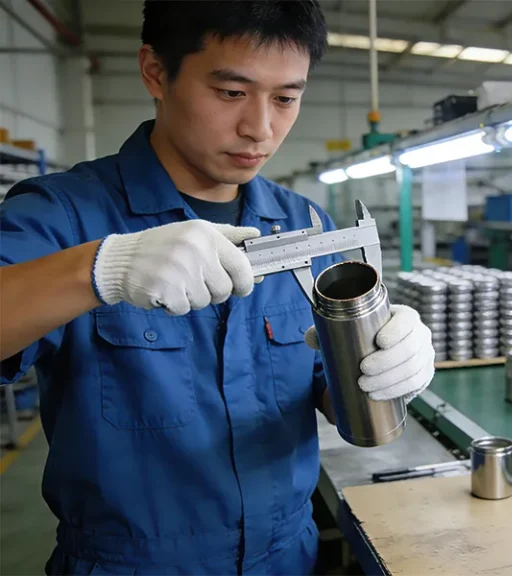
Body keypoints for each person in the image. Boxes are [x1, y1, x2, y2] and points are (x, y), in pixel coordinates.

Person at [0, 2, 435, 574]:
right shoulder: (62, 215)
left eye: (285, 98)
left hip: (288, 557)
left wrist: (385, 364)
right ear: (156, 72)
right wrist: (98, 270)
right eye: (232, 92)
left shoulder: (303, 222)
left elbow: (332, 393)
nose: (261, 127)